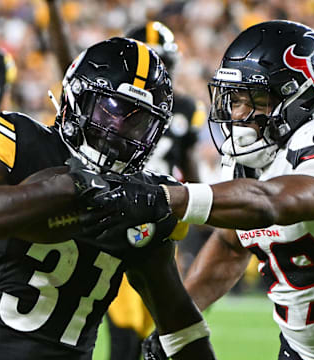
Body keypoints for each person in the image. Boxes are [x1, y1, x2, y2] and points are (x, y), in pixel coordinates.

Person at [92, 20, 314, 360]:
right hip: (299, 351)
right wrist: (176, 326)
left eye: (257, 99)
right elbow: (230, 245)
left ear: (302, 96)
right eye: (235, 99)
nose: (239, 114)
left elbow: (273, 202)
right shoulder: (249, 159)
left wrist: (164, 197)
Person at [0, 36, 216, 360]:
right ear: (76, 98)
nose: (118, 132)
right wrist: (70, 187)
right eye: (109, 111)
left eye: (138, 122)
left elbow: (180, 322)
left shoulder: (137, 200)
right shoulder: (19, 142)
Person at [103, 21, 209, 360]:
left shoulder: (186, 109)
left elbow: (192, 174)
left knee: (158, 336)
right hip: (120, 216)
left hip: (162, 220)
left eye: (163, 61)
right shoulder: (113, 105)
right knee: (126, 336)